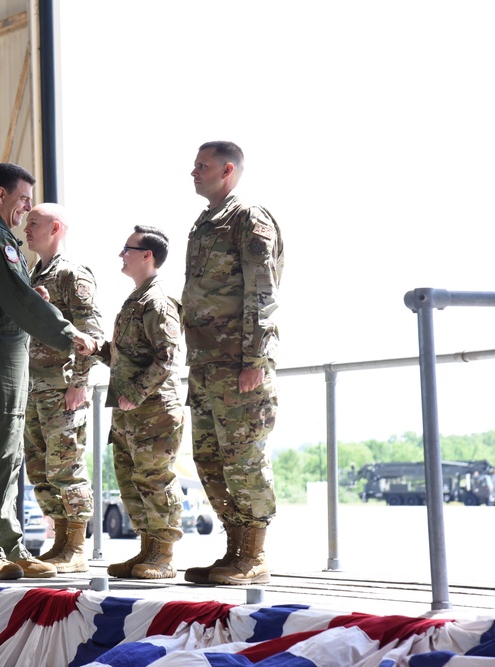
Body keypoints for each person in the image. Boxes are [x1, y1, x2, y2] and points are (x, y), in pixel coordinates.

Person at [0, 162, 97, 580]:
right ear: (0, 195)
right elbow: (18, 300)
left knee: (7, 453)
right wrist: (68, 332)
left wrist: (29, 300)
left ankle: (8, 547)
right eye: (22, 200)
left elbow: (9, 296)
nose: (25, 209)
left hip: (0, 349)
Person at [182, 141, 284, 586]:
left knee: (243, 460)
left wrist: (256, 359)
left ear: (227, 171)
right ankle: (235, 550)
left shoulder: (249, 219)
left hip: (238, 365)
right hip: (206, 366)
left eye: (201, 166)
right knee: (210, 460)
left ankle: (255, 556)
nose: (193, 172)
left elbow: (262, 293)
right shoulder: (205, 223)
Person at [97, 226, 185, 579]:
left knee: (154, 479)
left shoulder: (157, 300)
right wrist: (99, 350)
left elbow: (166, 358)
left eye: (127, 249)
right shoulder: (136, 299)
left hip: (153, 411)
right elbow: (130, 357)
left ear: (147, 255)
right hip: (129, 413)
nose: (122, 255)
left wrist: (133, 395)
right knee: (132, 481)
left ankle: (163, 554)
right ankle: (147, 548)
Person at [22, 203, 104, 573]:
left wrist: (80, 382)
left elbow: (93, 334)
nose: (27, 229)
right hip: (33, 388)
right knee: (39, 470)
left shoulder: (72, 275)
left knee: (66, 467)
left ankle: (75, 546)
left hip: (61, 388)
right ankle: (59, 541)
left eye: (34, 223)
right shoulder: (28, 276)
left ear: (56, 228)